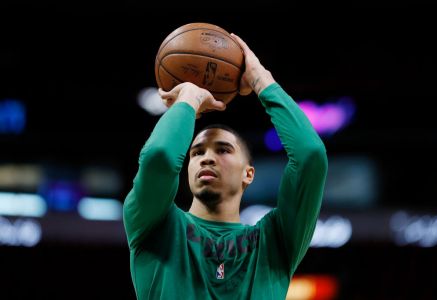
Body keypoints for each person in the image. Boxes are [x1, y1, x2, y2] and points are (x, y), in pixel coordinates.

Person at [123, 33, 328, 299]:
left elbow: (310, 155)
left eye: (223, 150)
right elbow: (159, 157)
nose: (206, 157)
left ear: (248, 174)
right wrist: (189, 99)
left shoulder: (274, 242)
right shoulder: (156, 225)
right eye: (196, 152)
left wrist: (260, 79)